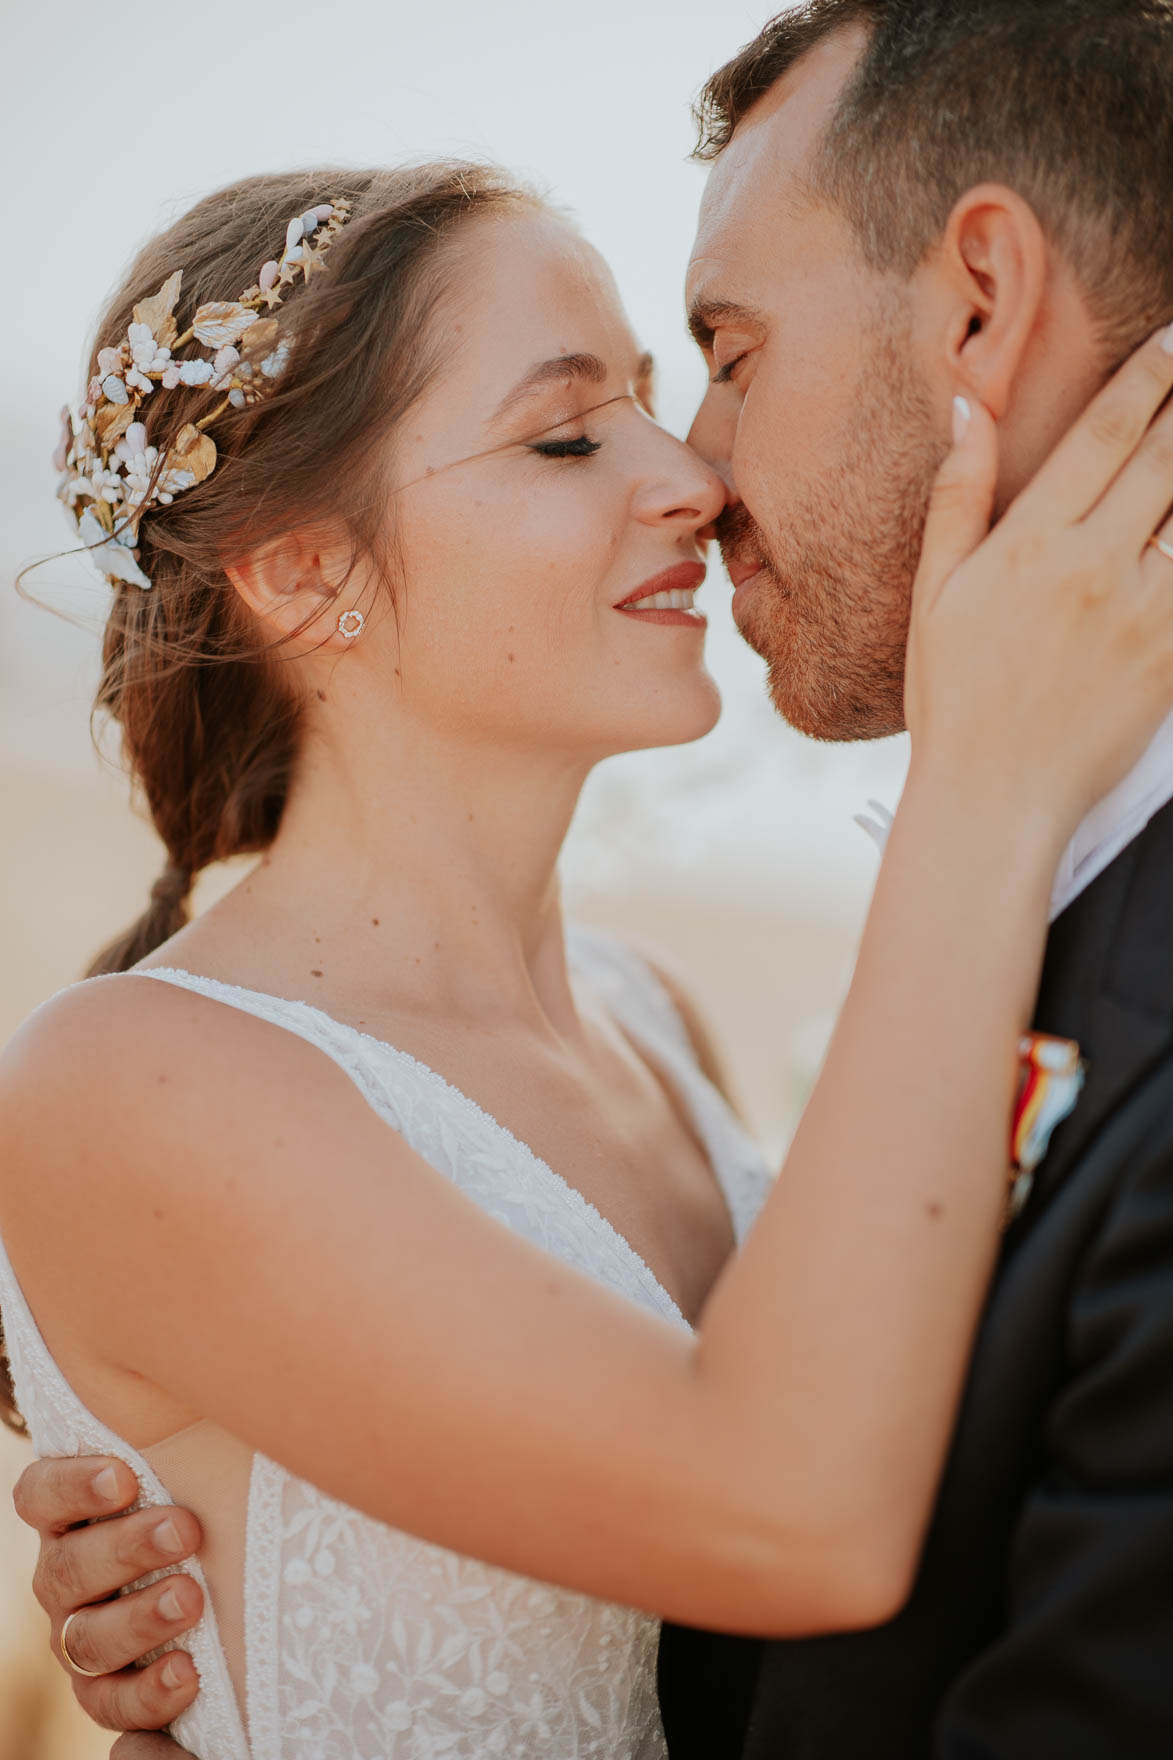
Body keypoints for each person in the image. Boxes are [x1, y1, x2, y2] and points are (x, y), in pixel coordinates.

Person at [7, 48, 1173, 1754]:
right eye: (564, 436)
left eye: (658, 388)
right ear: (298, 570)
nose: (687, 478)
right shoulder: (136, 1085)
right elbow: (783, 1507)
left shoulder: (647, 1018)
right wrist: (984, 787)